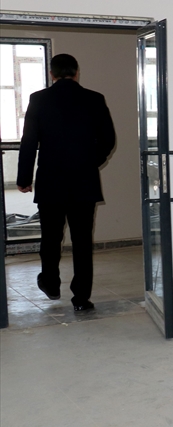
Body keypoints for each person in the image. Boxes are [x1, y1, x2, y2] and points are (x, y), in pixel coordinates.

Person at [16, 53, 116, 313]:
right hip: (84, 181)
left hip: (51, 181)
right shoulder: (94, 99)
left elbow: (29, 142)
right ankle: (81, 298)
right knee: (82, 241)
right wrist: (90, 162)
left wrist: (24, 178)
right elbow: (108, 139)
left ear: (52, 74)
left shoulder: (38, 99)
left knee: (50, 237)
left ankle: (50, 283)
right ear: (76, 72)